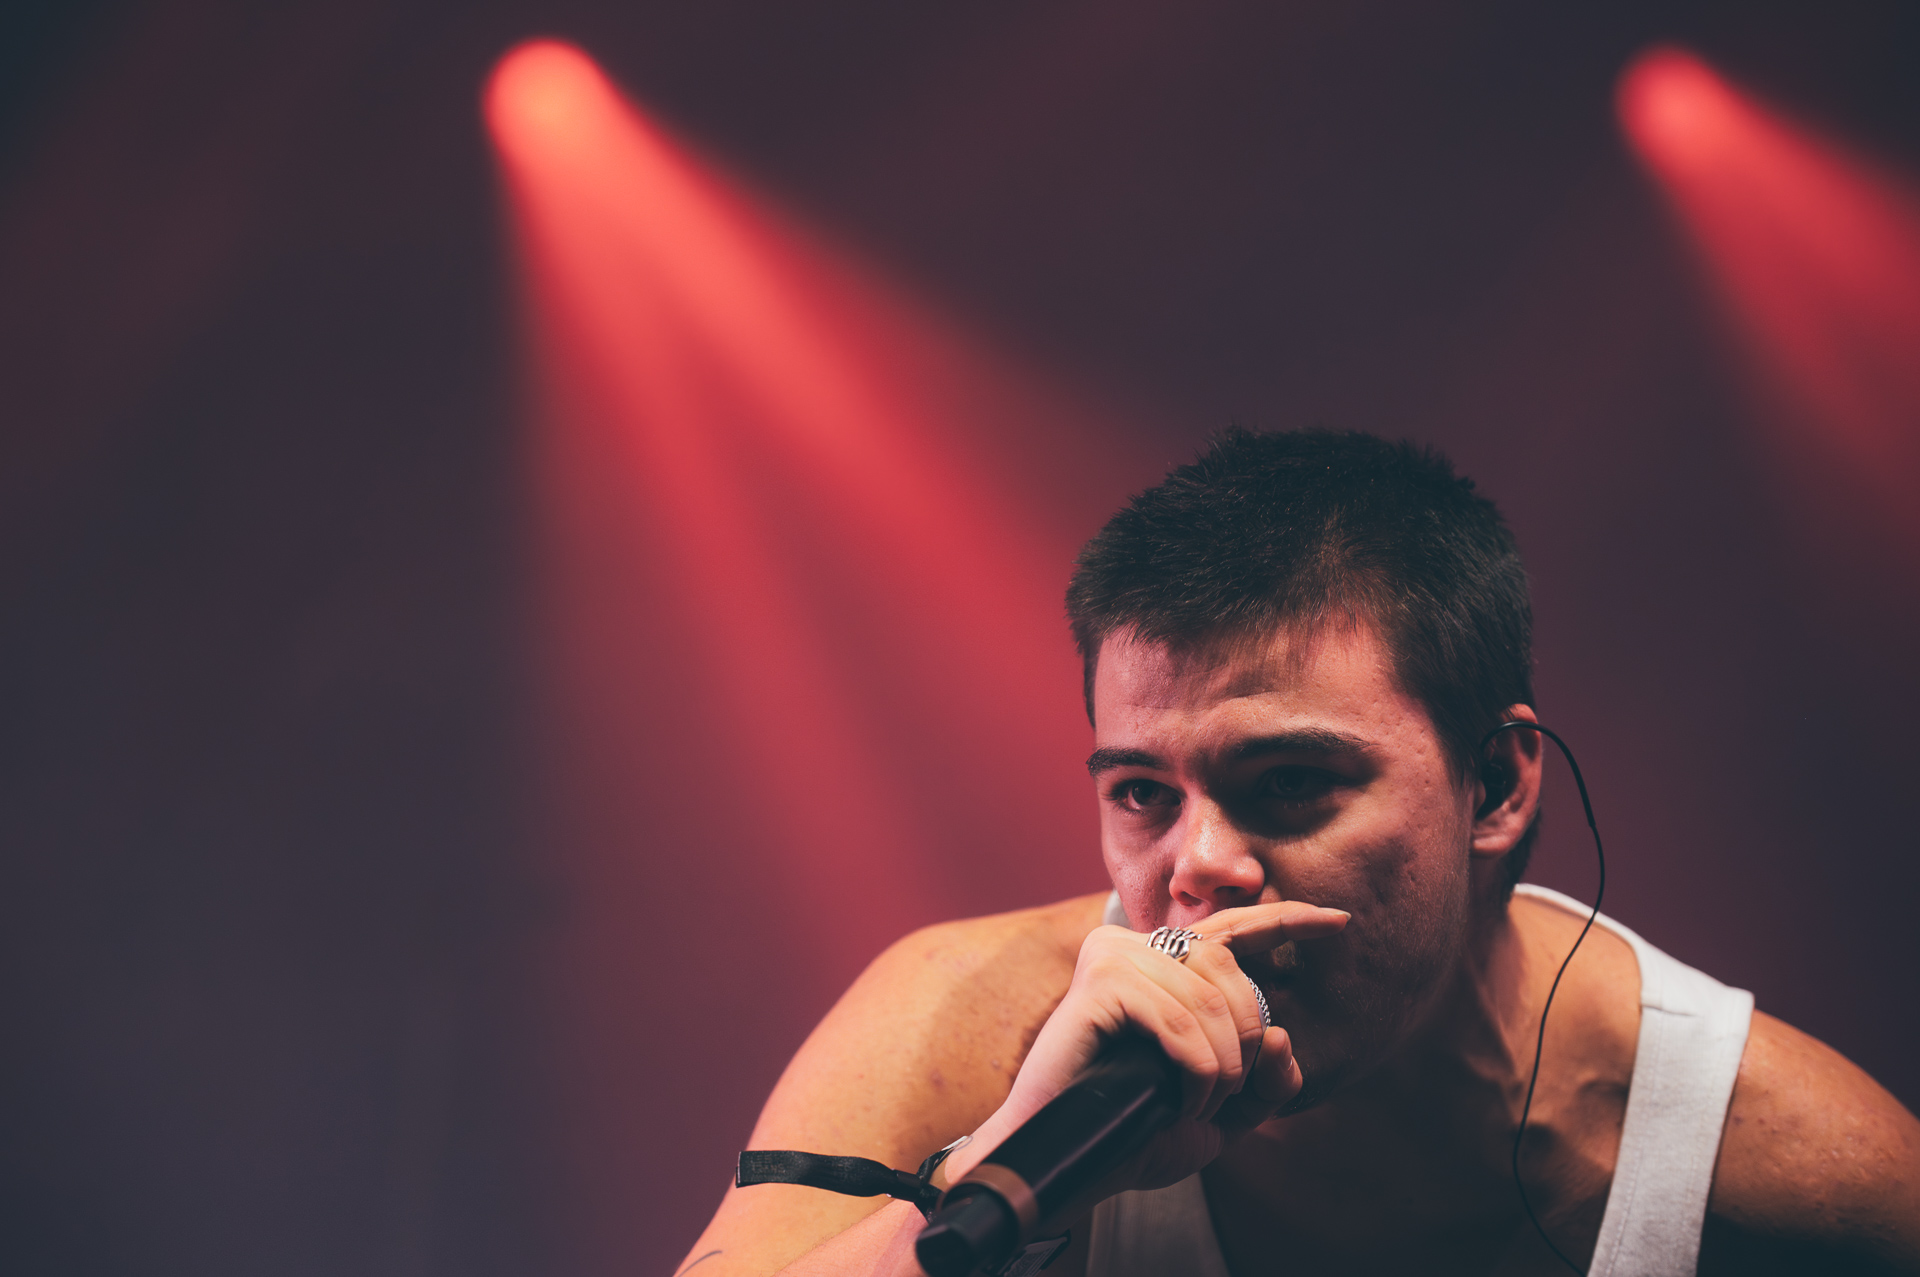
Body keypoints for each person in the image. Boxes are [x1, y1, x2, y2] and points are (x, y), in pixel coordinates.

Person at [681, 430, 1920, 1276]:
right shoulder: (966, 1024)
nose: (1198, 865)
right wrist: (996, 1174)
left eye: (1287, 783)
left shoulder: (1784, 1169)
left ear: (1494, 784)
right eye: (1141, 792)